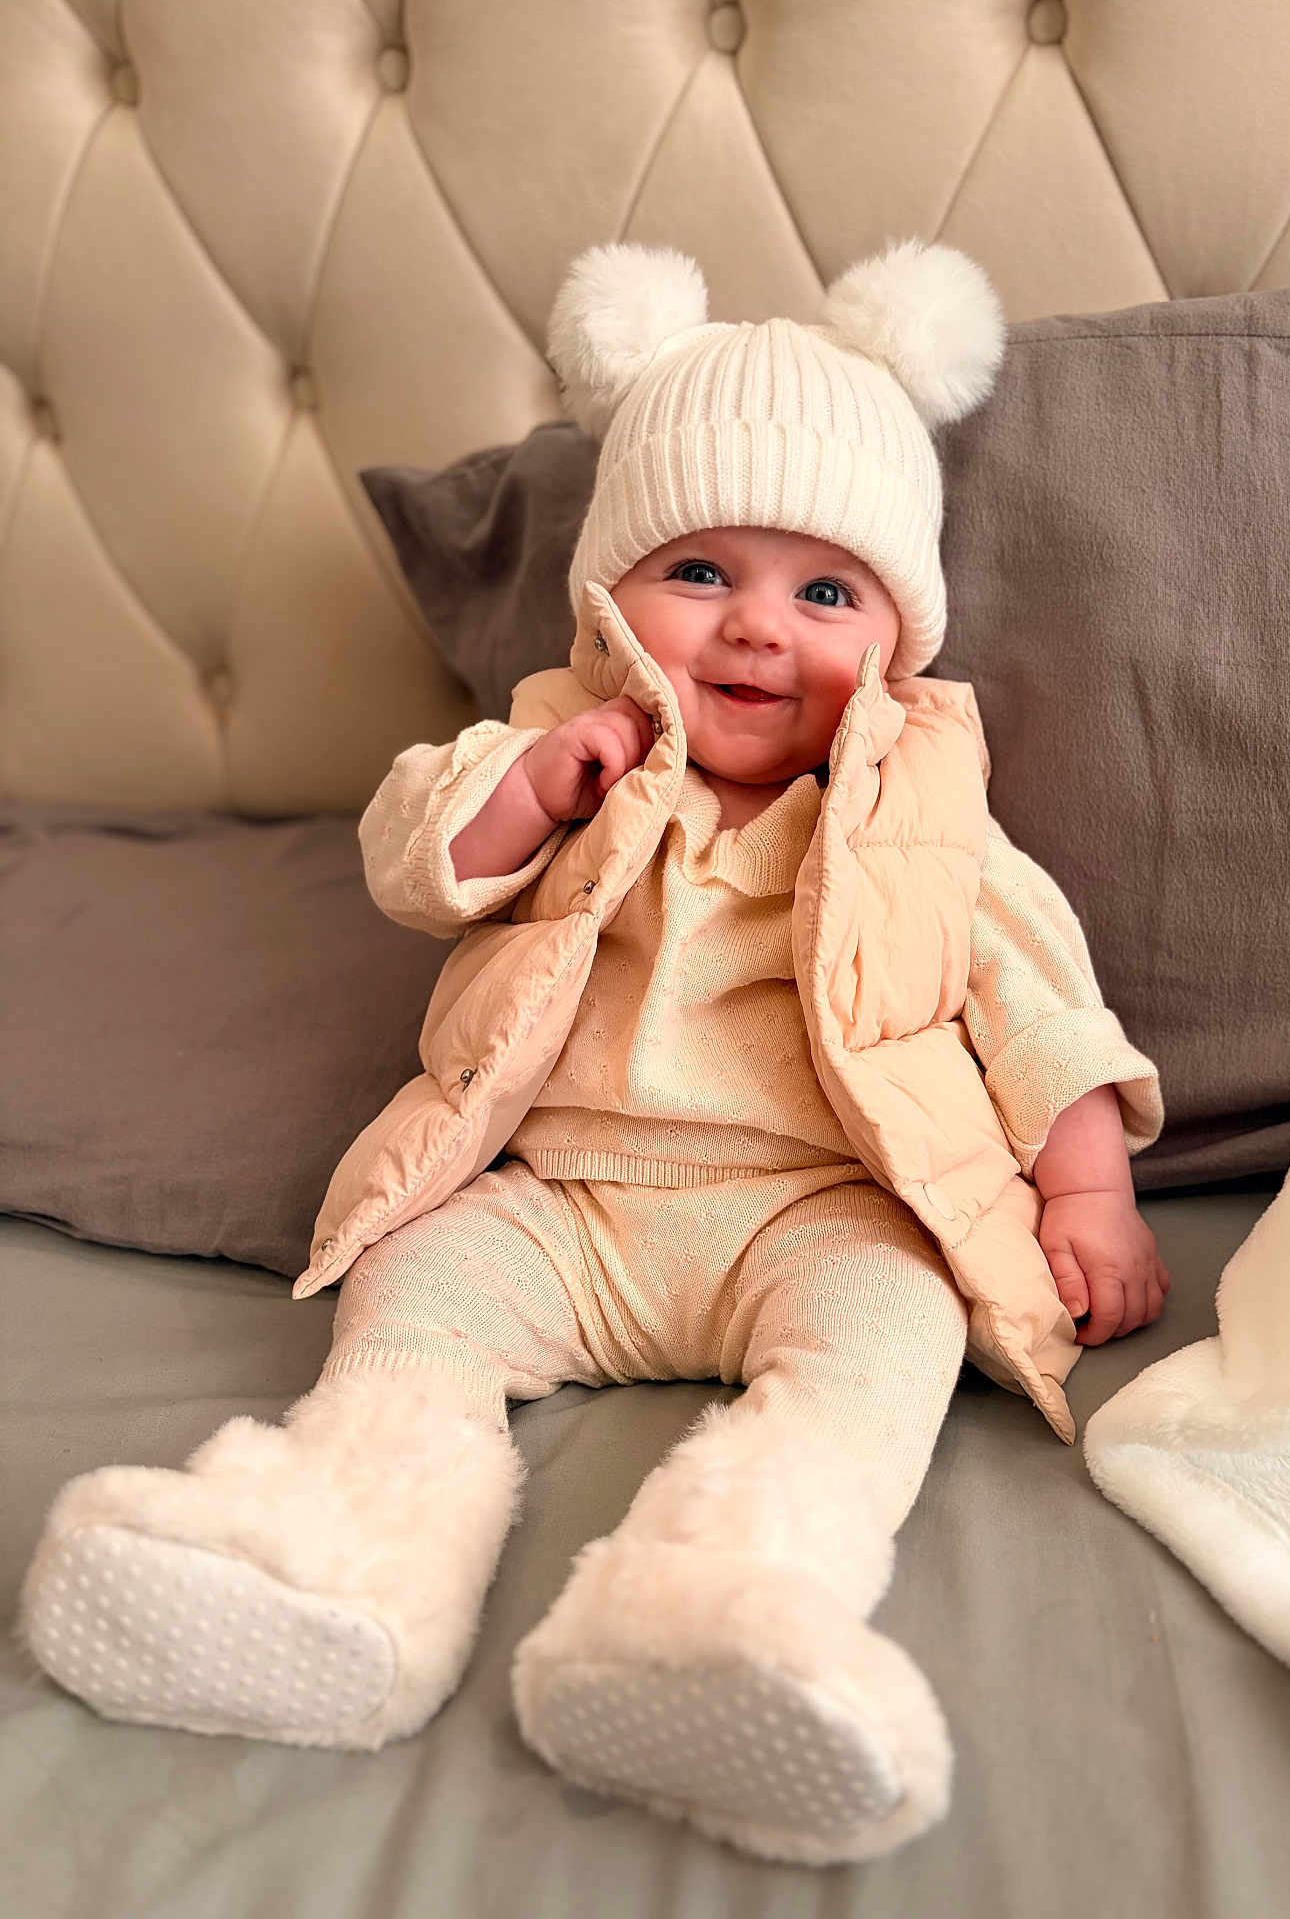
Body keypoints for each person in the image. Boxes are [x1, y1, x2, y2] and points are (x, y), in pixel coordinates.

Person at [20, 241, 1166, 1865]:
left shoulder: (922, 813)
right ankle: (332, 1555)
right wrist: (531, 792)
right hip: (562, 1198)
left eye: (824, 593)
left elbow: (1040, 1000)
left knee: (887, 1347)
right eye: (699, 571)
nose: (756, 629)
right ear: (610, 601)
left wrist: (1091, 1191)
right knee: (414, 1296)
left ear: (897, 639)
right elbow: (417, 860)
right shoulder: (565, 744)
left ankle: (726, 1608)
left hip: (823, 1207)